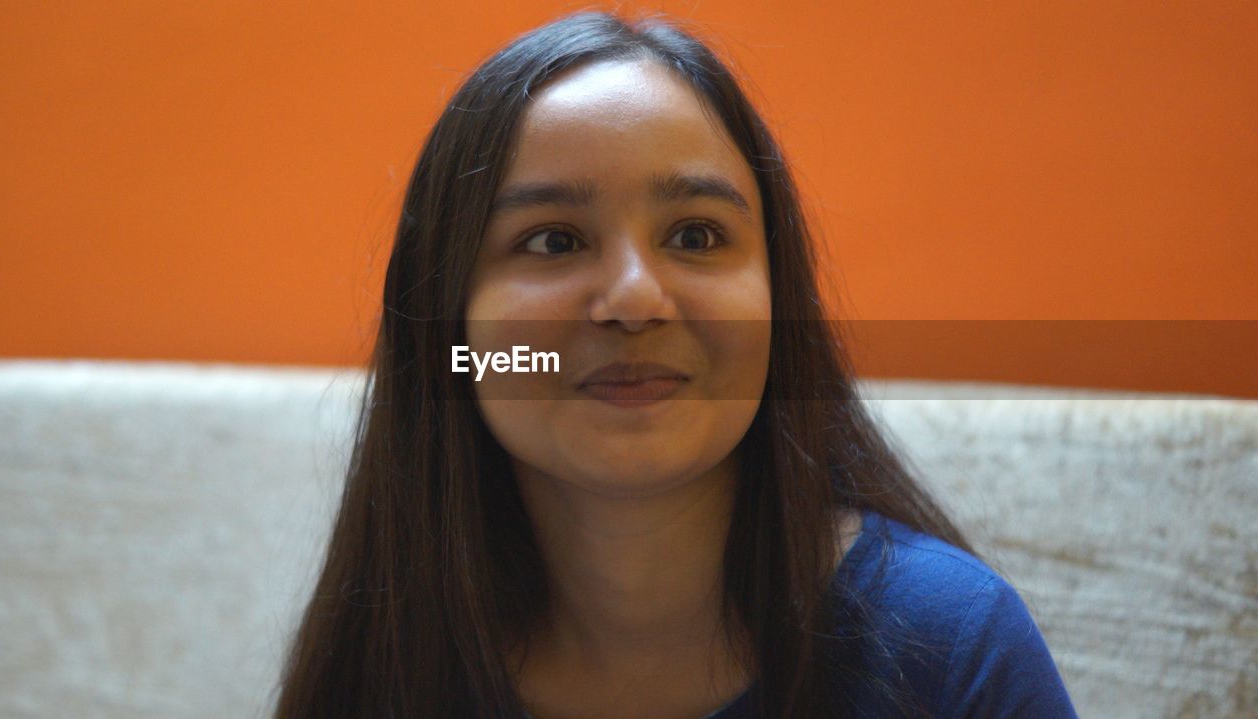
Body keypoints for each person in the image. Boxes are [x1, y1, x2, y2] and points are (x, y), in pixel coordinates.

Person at [273, 10, 1078, 719]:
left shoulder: (953, 645)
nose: (635, 298)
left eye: (695, 236)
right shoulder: (385, 662)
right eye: (554, 240)